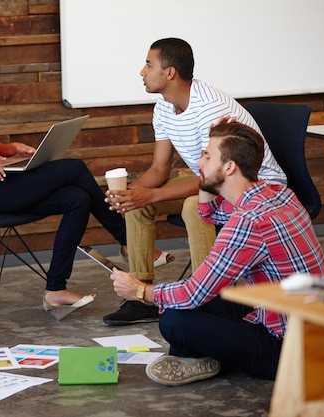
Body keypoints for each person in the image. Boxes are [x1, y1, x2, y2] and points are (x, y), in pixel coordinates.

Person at [0, 23, 126, 311]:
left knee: (78, 199)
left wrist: (8, 149)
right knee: (74, 168)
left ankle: (55, 289)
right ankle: (127, 240)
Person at [110, 121, 324, 386]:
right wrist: (207, 169)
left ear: (229, 167)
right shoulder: (279, 194)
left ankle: (199, 357)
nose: (198, 164)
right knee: (207, 297)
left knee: (174, 319)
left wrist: (139, 291)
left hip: (289, 351)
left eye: (206, 156)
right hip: (301, 322)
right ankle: (198, 357)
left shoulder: (249, 221)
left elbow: (192, 293)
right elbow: (209, 213)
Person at [103, 38, 286, 326]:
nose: (142, 71)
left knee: (192, 207)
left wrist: (150, 196)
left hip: (255, 188)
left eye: (149, 64)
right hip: (215, 181)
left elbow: (213, 178)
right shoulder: (164, 108)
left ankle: (207, 300)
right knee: (138, 204)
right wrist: (131, 194)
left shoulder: (208, 108)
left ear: (170, 72)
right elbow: (160, 169)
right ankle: (140, 297)